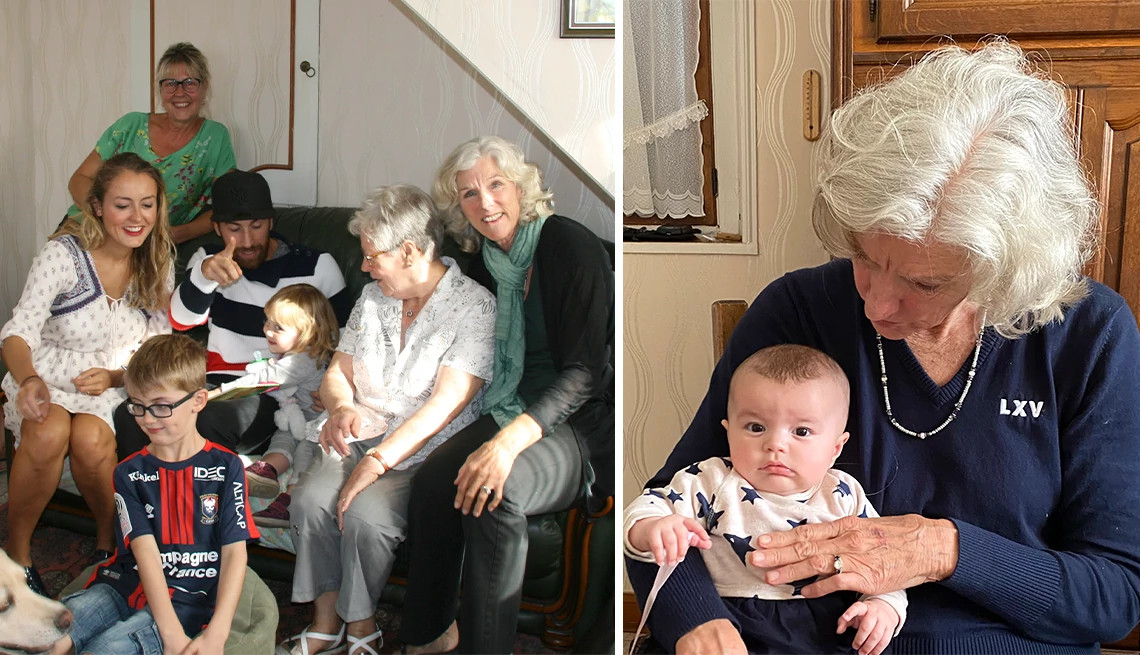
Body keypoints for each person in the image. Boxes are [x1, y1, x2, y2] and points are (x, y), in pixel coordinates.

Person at [628, 41, 1140, 654]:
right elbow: (668, 509)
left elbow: (1114, 593)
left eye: (924, 283)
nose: (876, 305)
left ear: (1004, 270)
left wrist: (945, 550)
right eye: (866, 258)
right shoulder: (798, 311)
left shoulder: (1088, 335)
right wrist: (694, 620)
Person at [397, 136, 615, 654]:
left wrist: (507, 443)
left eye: (496, 185)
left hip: (576, 421)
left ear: (521, 187)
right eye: (470, 194)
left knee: (496, 494)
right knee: (432, 481)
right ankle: (430, 637)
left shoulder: (570, 247)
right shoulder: (482, 263)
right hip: (508, 404)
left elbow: (586, 371)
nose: (486, 202)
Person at [277, 184, 496, 655]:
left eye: (373, 256)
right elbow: (339, 370)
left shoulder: (475, 307)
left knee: (368, 517)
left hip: (423, 448)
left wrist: (375, 461)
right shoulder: (375, 298)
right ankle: (325, 621)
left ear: (411, 251)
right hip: (360, 428)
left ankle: (361, 628)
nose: (364, 267)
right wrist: (340, 407)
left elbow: (444, 406)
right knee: (311, 501)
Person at [625, 345, 907, 655]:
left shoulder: (843, 495)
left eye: (801, 431)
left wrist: (882, 606)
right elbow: (648, 505)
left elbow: (883, 560)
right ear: (729, 433)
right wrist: (652, 527)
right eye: (756, 428)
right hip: (728, 619)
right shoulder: (711, 480)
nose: (775, 444)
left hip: (820, 629)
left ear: (836, 448)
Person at [1, 152, 174, 595]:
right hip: (46, 376)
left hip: (113, 385)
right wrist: (29, 381)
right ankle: (16, 558)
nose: (137, 218)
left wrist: (118, 378)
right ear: (97, 206)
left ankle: (107, 543)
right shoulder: (63, 254)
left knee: (92, 440)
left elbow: (157, 350)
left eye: (147, 203)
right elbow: (17, 334)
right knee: (47, 431)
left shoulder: (158, 260)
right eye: (123, 204)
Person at [113, 168, 351, 459]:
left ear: (271, 221)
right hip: (214, 382)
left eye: (257, 226)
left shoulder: (317, 267)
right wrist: (204, 277)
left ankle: (198, 500)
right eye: (234, 229)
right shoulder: (207, 260)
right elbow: (181, 320)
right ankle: (142, 500)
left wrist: (331, 387)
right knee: (130, 416)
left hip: (276, 393)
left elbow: (346, 344)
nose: (248, 241)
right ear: (217, 228)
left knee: (208, 420)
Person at [53, 334, 257, 655]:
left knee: (104, 650)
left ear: (198, 401)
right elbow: (144, 553)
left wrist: (214, 633)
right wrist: (171, 636)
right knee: (51, 638)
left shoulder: (226, 467)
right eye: (137, 405)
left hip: (189, 598)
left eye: (161, 406)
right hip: (121, 585)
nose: (147, 419)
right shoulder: (128, 472)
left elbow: (235, 554)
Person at [65, 42, 236, 244]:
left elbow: (228, 206)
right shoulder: (131, 125)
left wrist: (178, 234)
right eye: (170, 83)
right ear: (160, 90)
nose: (180, 92)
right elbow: (79, 178)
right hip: (91, 231)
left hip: (150, 245)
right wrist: (107, 220)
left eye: (190, 82)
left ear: (204, 87)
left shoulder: (215, 137)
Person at [213, 283, 341, 527]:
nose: (267, 331)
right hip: (298, 416)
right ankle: (267, 471)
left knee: (305, 450)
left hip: (318, 425)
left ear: (308, 333)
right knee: (282, 438)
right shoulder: (298, 354)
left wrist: (219, 392)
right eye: (268, 322)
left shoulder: (303, 361)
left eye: (278, 327)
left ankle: (290, 501)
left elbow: (263, 380)